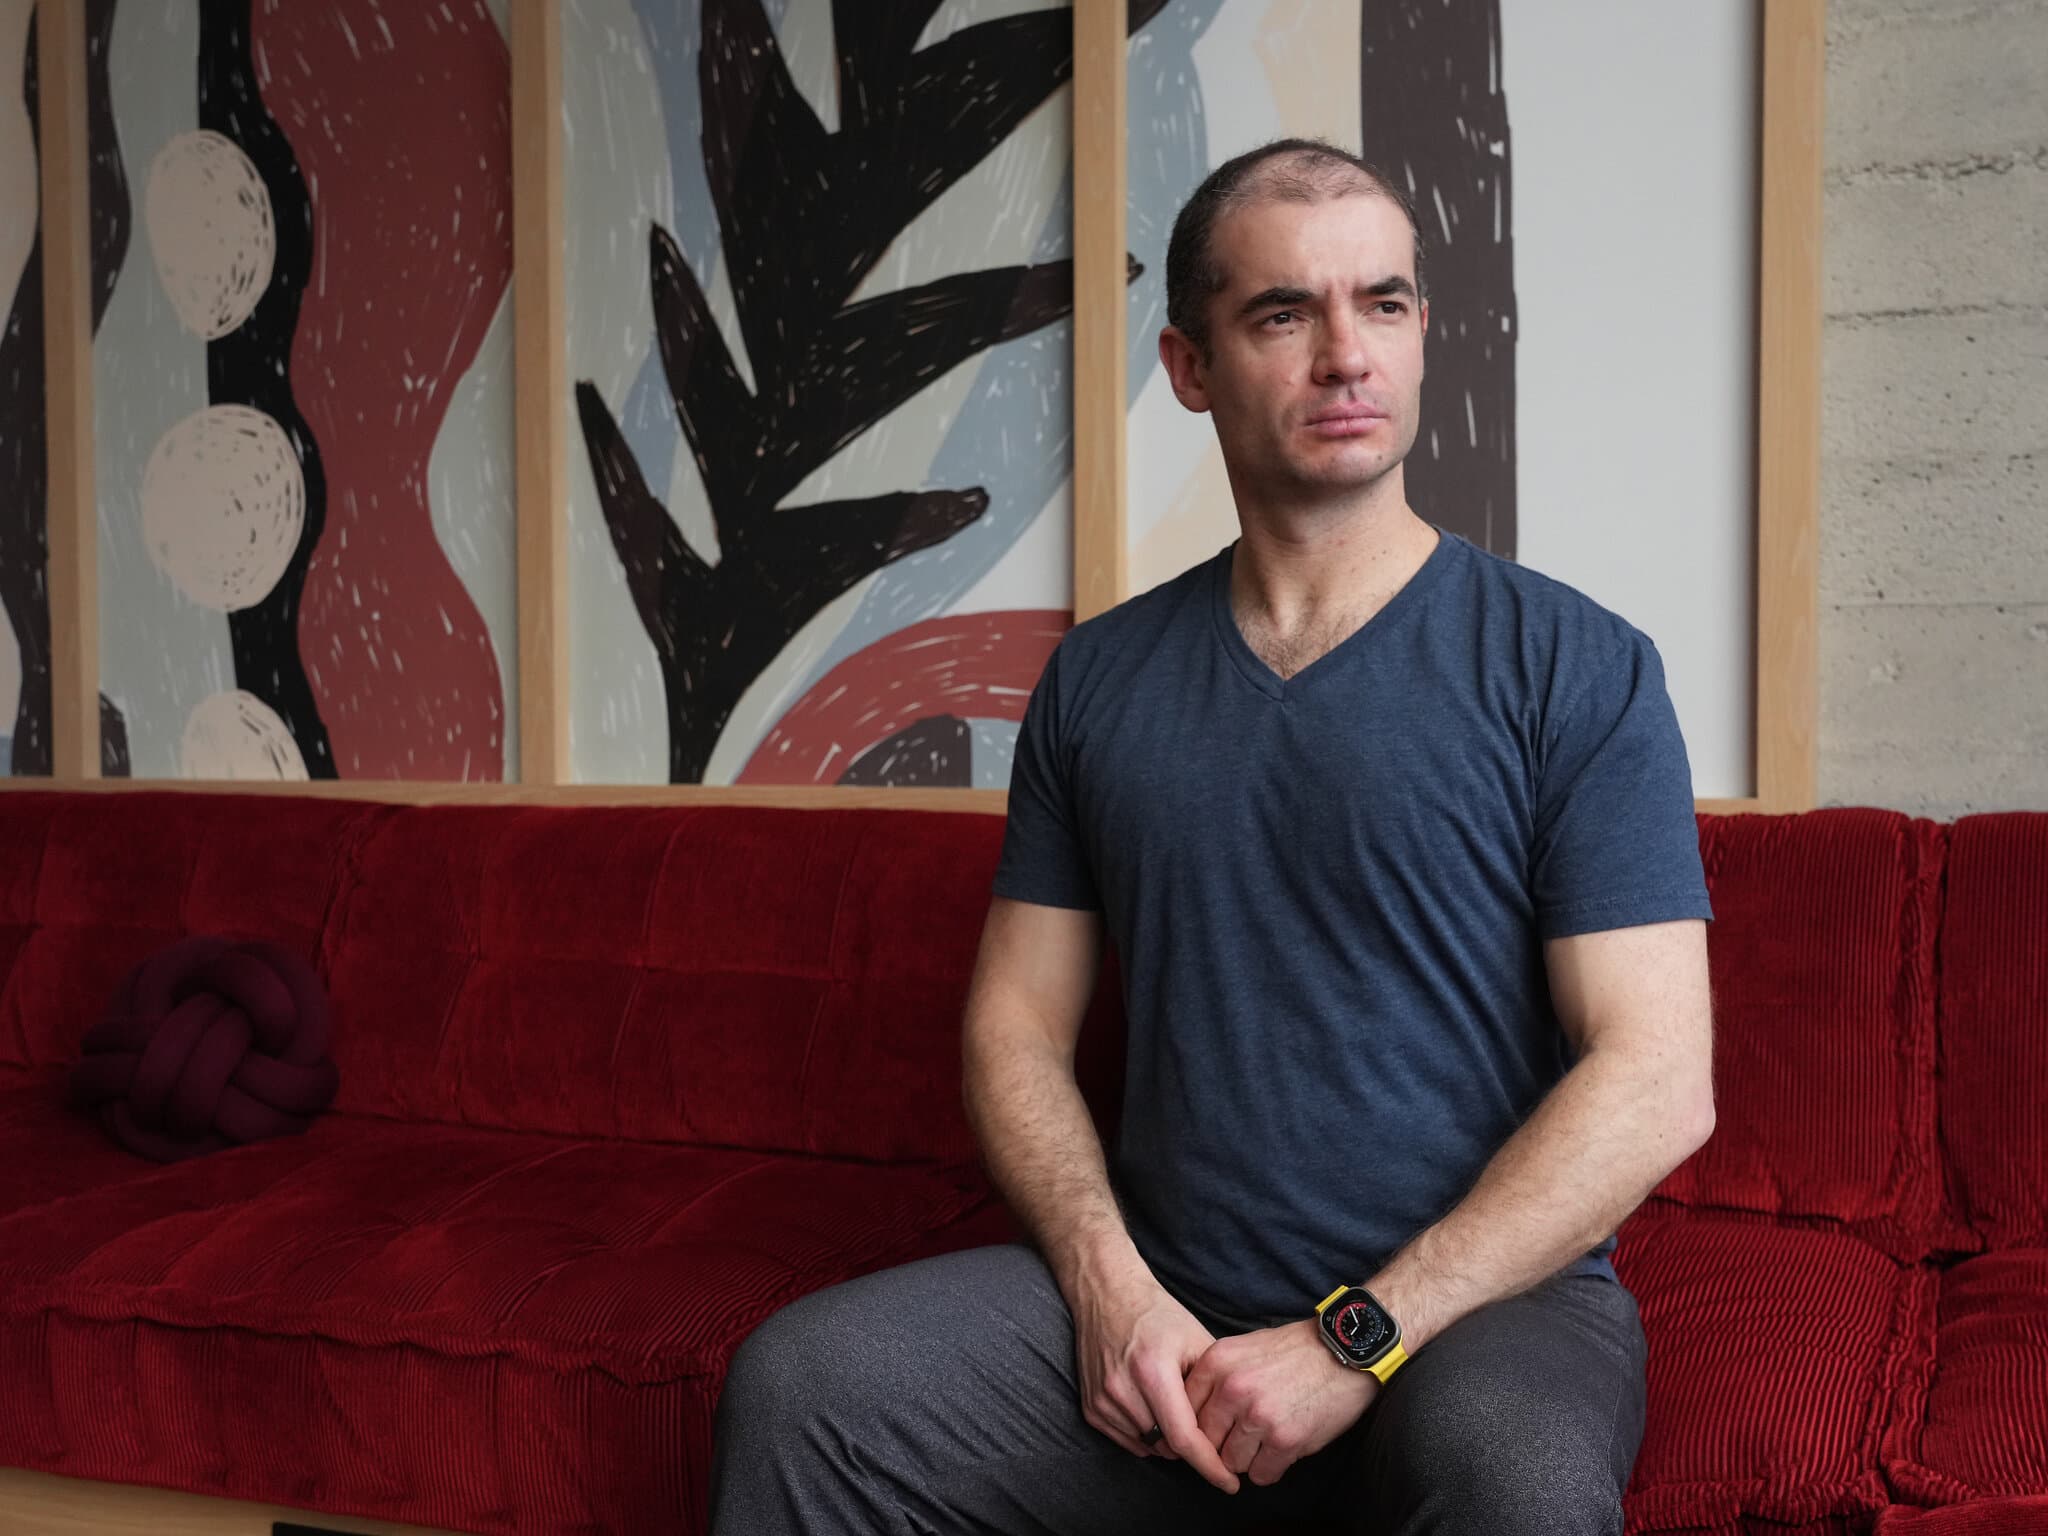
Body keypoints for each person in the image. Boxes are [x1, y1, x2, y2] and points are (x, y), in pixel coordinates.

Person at [707, 137, 1717, 1535]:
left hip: (1479, 1318)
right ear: (1190, 367)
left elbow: (1658, 1080)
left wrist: (1355, 1341)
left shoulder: (1577, 668)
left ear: (1423, 333)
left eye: (1383, 304)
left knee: (1519, 1487)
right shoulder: (1098, 680)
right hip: (1174, 1318)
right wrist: (1106, 1283)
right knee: (808, 1390)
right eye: (1284, 314)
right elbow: (1014, 1026)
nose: (1347, 355)